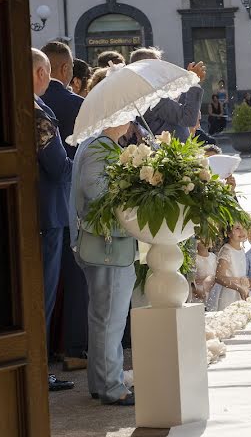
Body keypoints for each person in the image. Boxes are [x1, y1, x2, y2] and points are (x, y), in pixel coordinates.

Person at [69, 119, 136, 405]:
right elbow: (99, 194)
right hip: (107, 246)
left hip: (104, 246)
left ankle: (101, 383)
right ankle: (111, 386)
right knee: (110, 318)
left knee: (102, 317)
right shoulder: (99, 147)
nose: (131, 120)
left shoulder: (97, 144)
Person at [39, 41, 88, 372]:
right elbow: (58, 165)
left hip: (37, 206)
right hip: (59, 206)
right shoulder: (52, 108)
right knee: (59, 284)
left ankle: (46, 357)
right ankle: (68, 350)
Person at [32, 49, 75, 391]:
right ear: (41, 74)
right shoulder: (37, 110)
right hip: (48, 212)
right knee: (42, 295)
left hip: (36, 212)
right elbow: (58, 165)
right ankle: (39, 369)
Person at [129, 47, 206, 142]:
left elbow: (179, 111)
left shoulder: (147, 91)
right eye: (158, 65)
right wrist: (194, 83)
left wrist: (190, 83)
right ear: (145, 68)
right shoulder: (149, 96)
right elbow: (188, 119)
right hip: (167, 152)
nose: (162, 69)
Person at [213, 222, 251, 310]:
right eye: (237, 228)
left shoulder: (242, 250)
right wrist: (238, 287)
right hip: (230, 294)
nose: (242, 231)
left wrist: (245, 286)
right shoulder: (227, 250)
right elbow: (219, 277)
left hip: (241, 292)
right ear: (228, 233)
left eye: (243, 228)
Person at [193, 240, 217, 309]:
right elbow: (190, 279)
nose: (206, 241)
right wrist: (197, 291)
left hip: (213, 291)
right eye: (202, 240)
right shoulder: (195, 258)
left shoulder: (213, 256)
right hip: (199, 293)